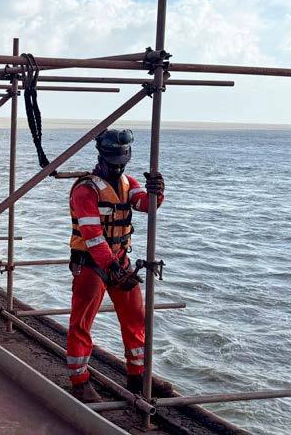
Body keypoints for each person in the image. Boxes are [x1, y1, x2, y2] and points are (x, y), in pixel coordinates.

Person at [67, 129, 167, 402]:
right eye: (114, 160)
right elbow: (92, 236)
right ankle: (79, 380)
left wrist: (158, 190)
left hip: (118, 261)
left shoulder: (127, 183)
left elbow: (146, 204)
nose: (118, 165)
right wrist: (112, 268)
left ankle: (137, 375)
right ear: (102, 157)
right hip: (91, 265)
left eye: (122, 160)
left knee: (135, 317)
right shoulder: (85, 189)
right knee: (82, 323)